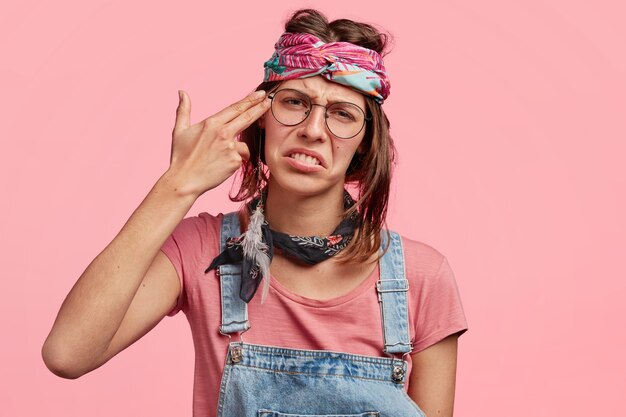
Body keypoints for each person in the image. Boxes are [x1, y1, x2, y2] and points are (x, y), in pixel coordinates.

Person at [42, 8, 468, 417]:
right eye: (295, 102)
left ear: (366, 141)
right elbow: (67, 353)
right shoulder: (202, 250)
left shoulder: (422, 278)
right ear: (261, 115)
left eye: (342, 114)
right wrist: (177, 185)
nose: (313, 130)